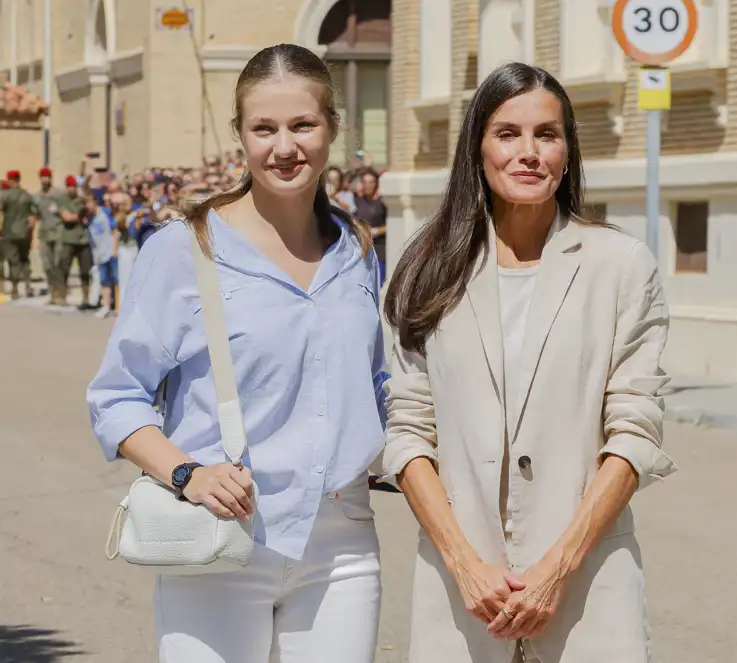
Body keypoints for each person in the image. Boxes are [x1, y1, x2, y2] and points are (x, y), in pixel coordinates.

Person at [86, 43, 388, 663]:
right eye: (264, 128)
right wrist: (186, 473)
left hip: (341, 544)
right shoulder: (182, 249)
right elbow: (116, 397)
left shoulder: (355, 248)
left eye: (303, 125)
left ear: (332, 127)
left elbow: (378, 381)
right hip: (220, 536)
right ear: (240, 137)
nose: (285, 147)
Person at [381, 63, 677, 663]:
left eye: (547, 134)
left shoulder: (620, 266)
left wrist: (555, 567)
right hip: (465, 596)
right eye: (507, 133)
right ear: (478, 149)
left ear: (568, 151)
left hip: (586, 586)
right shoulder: (427, 269)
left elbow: (634, 432)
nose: (529, 153)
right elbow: (409, 434)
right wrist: (465, 565)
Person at [0, 170, 36, 300]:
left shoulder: (5, 195)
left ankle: (15, 289)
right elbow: (33, 216)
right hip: (24, 233)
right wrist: (30, 230)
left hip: (10, 233)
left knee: (13, 261)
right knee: (25, 259)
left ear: (10, 180)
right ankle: (28, 285)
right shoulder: (27, 195)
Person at [33, 167, 66, 305]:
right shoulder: (37, 196)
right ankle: (52, 293)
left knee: (58, 264)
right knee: (47, 265)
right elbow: (35, 215)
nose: (45, 179)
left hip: (58, 232)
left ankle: (61, 294)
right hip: (44, 234)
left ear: (50, 179)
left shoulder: (59, 195)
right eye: (42, 177)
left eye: (47, 177)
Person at [58, 175, 90, 308]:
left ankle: (86, 297)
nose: (72, 188)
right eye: (69, 186)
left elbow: (90, 208)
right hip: (68, 239)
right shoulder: (63, 199)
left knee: (85, 270)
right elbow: (66, 217)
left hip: (83, 239)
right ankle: (62, 296)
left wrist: (85, 203)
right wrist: (79, 215)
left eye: (74, 186)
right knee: (64, 269)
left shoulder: (83, 199)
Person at [354, 168, 387, 286]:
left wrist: (377, 231)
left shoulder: (383, 202)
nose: (368, 185)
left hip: (380, 249)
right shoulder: (357, 201)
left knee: (379, 283)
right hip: (362, 248)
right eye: (365, 182)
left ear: (376, 183)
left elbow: (391, 225)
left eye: (371, 182)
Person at [85, 196, 117, 318]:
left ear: (94, 202)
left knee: (116, 279)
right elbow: (93, 239)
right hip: (100, 254)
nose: (88, 206)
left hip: (111, 252)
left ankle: (118, 306)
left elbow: (114, 231)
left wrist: (114, 249)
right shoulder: (90, 218)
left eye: (89, 203)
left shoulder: (105, 213)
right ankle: (106, 306)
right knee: (104, 280)